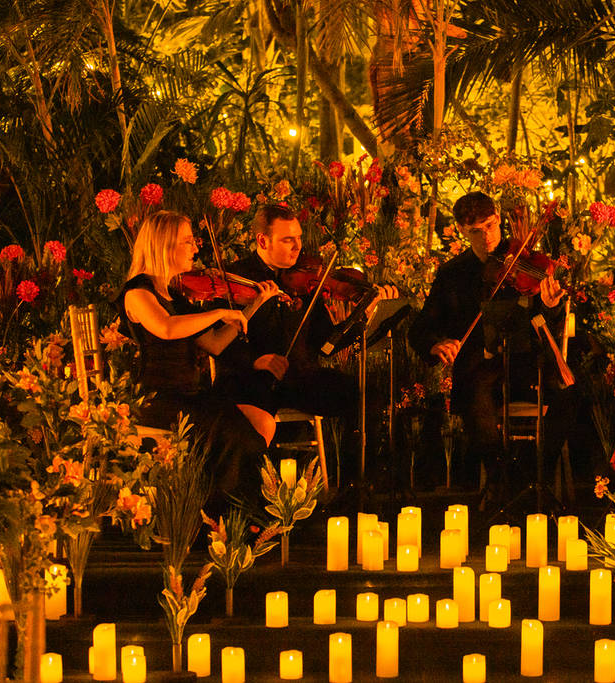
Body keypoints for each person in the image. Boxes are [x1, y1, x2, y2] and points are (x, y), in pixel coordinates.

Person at [214, 204, 397, 494]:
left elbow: (325, 345)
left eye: (298, 238)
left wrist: (363, 313)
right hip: (250, 379)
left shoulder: (307, 281)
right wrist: (254, 361)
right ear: (263, 241)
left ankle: (356, 486)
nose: (297, 247)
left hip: (300, 378)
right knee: (251, 420)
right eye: (288, 239)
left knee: (366, 397)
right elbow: (215, 341)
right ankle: (255, 498)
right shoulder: (234, 279)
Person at [408, 191, 573, 502]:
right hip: (480, 372)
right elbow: (420, 329)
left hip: (527, 365)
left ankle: (538, 476)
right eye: (475, 231)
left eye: (490, 226)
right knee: (476, 394)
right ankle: (501, 480)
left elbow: (547, 325)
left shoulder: (524, 261)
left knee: (568, 393)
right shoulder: (452, 274)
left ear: (498, 219)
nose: (486, 237)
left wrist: (550, 307)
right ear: (462, 231)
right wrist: (436, 344)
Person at [116, 210, 280, 506]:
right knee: (236, 437)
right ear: (164, 244)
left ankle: (241, 508)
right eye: (188, 241)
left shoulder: (176, 296)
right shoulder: (138, 293)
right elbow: (166, 328)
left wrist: (252, 306)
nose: (195, 248)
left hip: (192, 395)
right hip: (159, 398)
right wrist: (218, 312)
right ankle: (224, 511)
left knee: (262, 421)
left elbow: (214, 344)